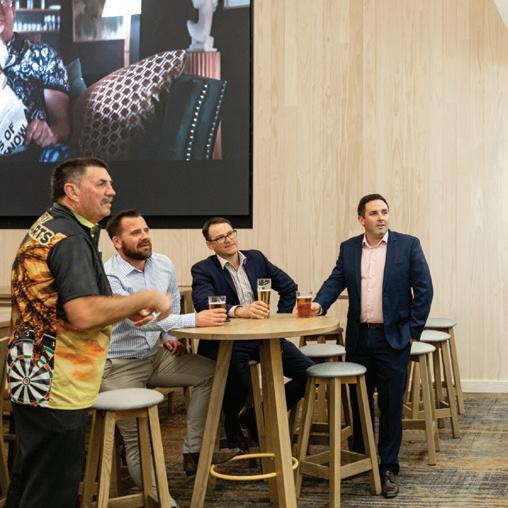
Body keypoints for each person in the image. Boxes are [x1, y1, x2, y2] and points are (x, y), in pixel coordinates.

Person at [7, 158, 172, 508]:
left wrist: (123, 306)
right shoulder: (69, 238)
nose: (112, 191)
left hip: (33, 377)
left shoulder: (54, 226)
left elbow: (64, 300)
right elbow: (81, 313)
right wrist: (144, 297)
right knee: (50, 494)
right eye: (101, 184)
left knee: (31, 484)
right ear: (72, 191)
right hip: (57, 383)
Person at [102, 209, 239, 506]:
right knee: (139, 440)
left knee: (212, 373)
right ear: (116, 241)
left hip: (155, 356)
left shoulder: (162, 263)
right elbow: (140, 320)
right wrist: (194, 320)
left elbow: (172, 302)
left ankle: (193, 450)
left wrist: (168, 337)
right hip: (119, 367)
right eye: (135, 233)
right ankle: (166, 502)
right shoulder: (108, 275)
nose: (144, 236)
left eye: (146, 230)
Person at [309, 194, 433, 498]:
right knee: (359, 400)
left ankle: (388, 467)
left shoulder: (408, 245)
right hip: (360, 338)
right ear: (361, 219)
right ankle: (362, 458)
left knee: (391, 404)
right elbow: (336, 280)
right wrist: (319, 304)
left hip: (393, 339)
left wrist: (411, 332)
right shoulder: (349, 248)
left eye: (384, 212)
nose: (381, 218)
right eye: (374, 213)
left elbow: (424, 290)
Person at [191, 216, 314, 450]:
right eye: (220, 237)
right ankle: (231, 421)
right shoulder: (203, 269)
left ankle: (255, 417)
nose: (228, 240)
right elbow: (203, 303)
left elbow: (289, 288)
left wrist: (278, 324)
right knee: (241, 382)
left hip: (263, 338)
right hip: (230, 342)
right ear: (210, 245)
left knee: (309, 375)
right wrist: (239, 311)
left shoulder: (256, 258)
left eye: (230, 233)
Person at [0, 0, 71, 161]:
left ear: (13, 9)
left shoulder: (43, 56)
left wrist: (51, 133)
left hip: (33, 155)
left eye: (4, 2)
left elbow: (63, 125)